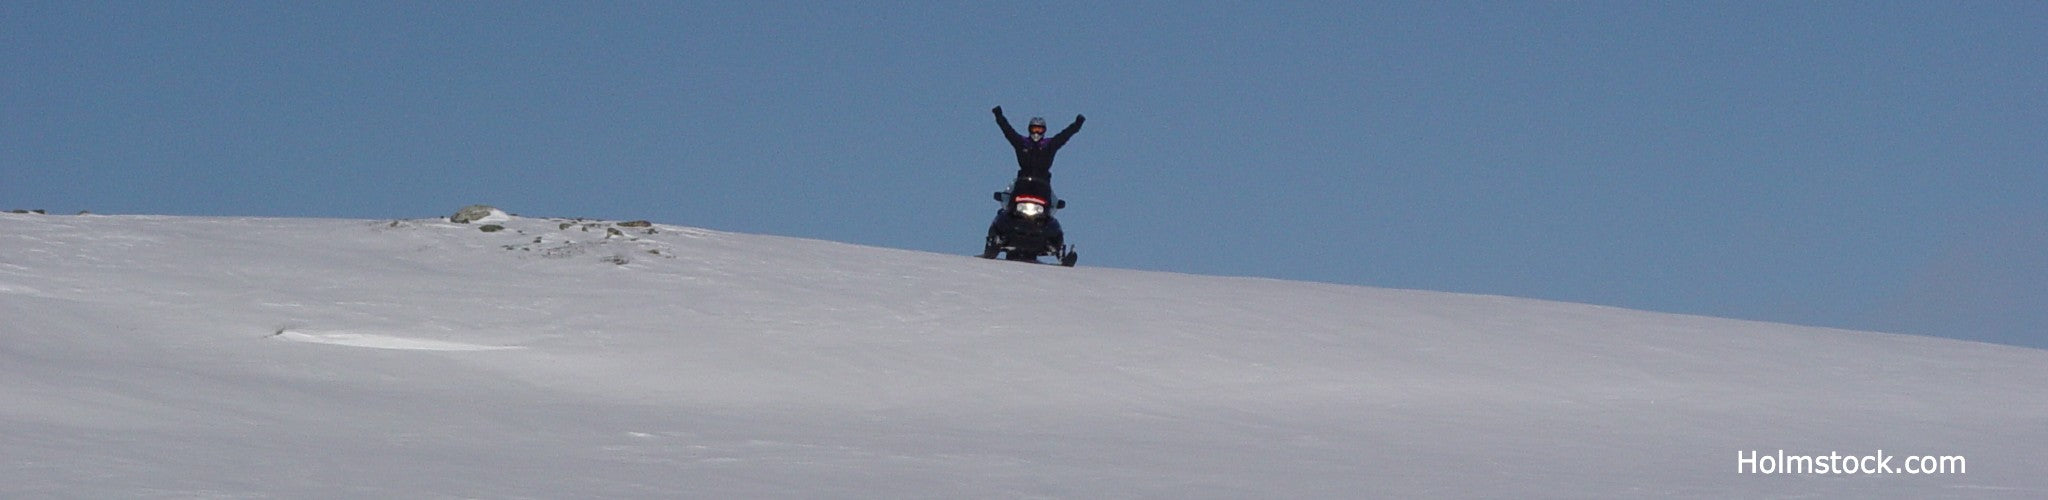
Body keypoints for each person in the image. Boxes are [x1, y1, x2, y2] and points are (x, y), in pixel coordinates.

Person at [992, 106, 1084, 180]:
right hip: (1023, 180)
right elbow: (1008, 131)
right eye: (1034, 129)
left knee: (1054, 201)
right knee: (1008, 193)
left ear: (1044, 131)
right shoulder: (1022, 142)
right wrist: (999, 116)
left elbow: (1064, 135)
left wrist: (1077, 125)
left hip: (1043, 182)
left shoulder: (1049, 144)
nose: (1036, 132)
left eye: (1039, 130)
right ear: (1029, 129)